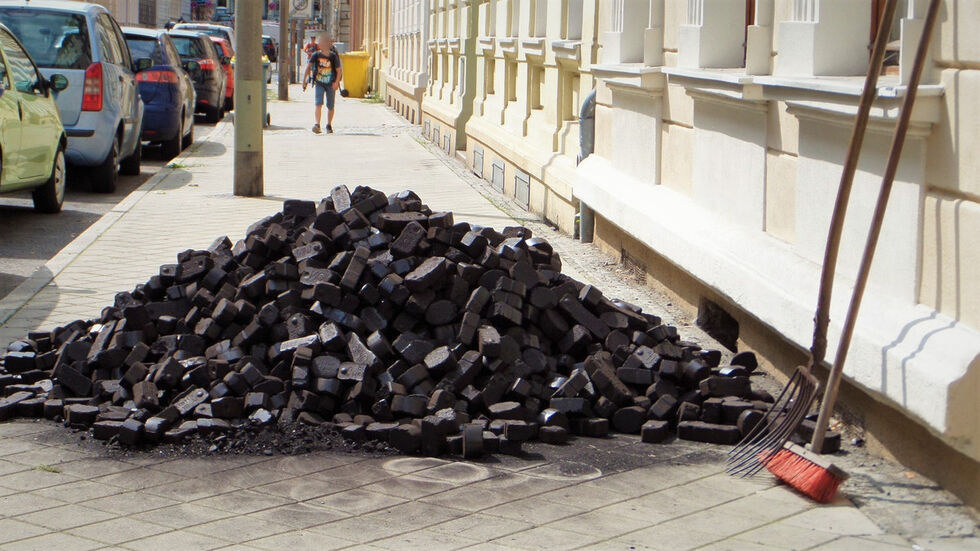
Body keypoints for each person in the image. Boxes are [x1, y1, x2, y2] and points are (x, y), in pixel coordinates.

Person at [302, 32, 342, 134]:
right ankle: (317, 124)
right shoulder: (316, 55)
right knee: (318, 103)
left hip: (331, 83)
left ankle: (329, 125)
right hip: (319, 82)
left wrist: (336, 82)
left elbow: (339, 70)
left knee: (330, 105)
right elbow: (308, 67)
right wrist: (304, 81)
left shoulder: (333, 56)